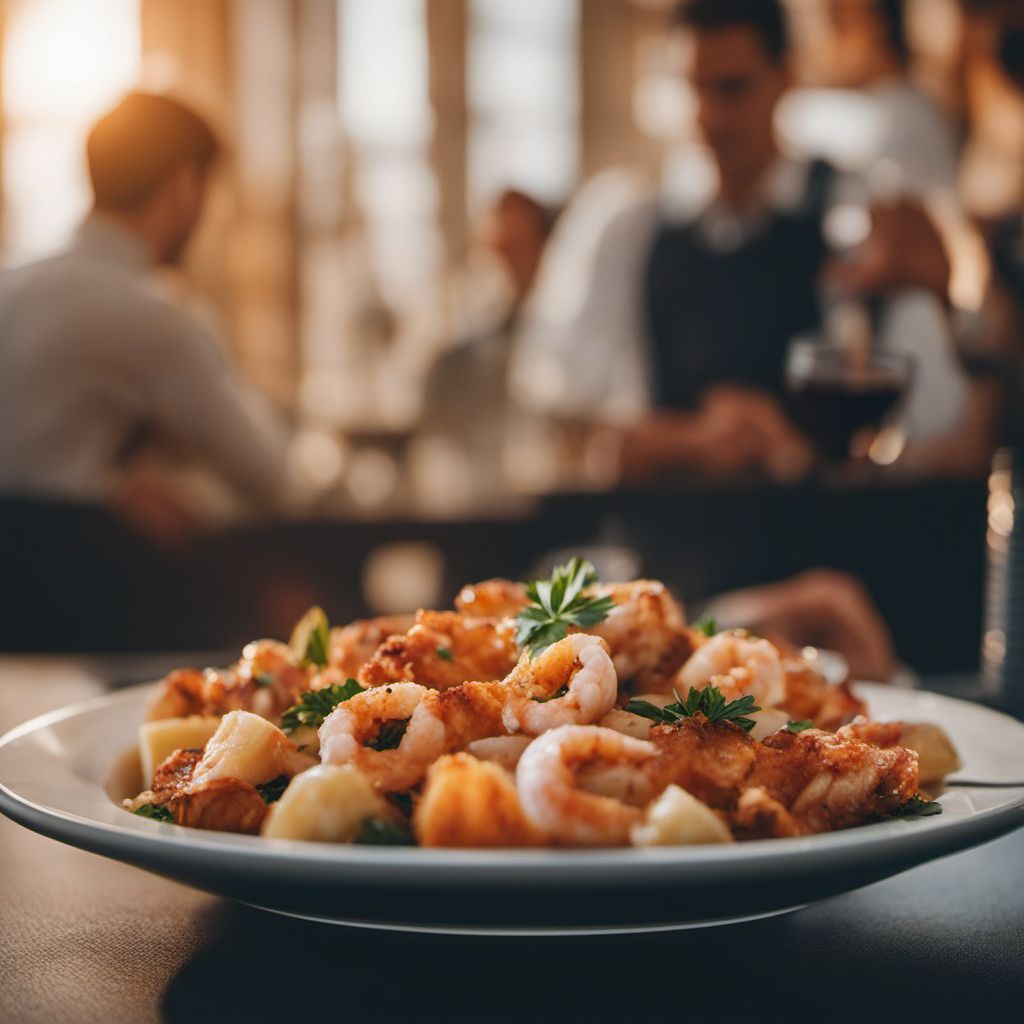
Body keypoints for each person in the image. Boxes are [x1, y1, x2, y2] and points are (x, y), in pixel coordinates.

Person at [516, 0, 968, 481]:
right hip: (674, 541)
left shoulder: (857, 215)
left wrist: (791, 451)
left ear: (786, 78)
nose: (708, 116)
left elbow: (935, 428)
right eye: (693, 89)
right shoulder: (631, 230)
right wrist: (695, 441)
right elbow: (556, 410)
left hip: (823, 537)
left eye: (732, 89)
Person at [0, 92, 291, 539]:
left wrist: (103, 485)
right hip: (79, 591)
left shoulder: (10, 283)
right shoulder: (154, 316)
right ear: (185, 186)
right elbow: (271, 479)